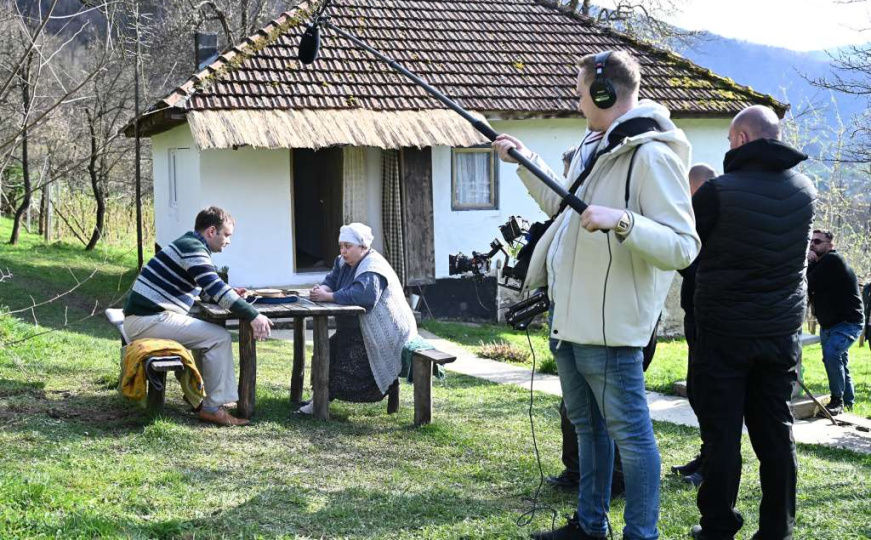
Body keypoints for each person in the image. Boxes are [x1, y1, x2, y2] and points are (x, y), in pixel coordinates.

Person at [494, 50, 700, 540]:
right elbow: (563, 206)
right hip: (569, 321)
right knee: (589, 431)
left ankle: (641, 534)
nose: (578, 100)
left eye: (582, 91)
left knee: (632, 438)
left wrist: (624, 221)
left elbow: (684, 246)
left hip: (612, 332)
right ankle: (591, 526)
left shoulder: (652, 155)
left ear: (605, 93)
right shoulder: (596, 148)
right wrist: (525, 161)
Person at [689, 106, 816, 540]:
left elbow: (689, 254)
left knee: (722, 435)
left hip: (723, 333)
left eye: (729, 139)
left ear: (742, 139)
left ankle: (719, 525)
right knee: (777, 432)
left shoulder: (716, 192)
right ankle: (778, 529)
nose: (728, 146)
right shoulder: (805, 189)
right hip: (780, 332)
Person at [123, 206, 274, 427]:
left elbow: (205, 288)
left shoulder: (190, 245)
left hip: (145, 318)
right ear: (212, 231)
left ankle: (203, 397)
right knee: (219, 338)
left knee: (208, 336)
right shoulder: (193, 249)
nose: (228, 241)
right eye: (227, 235)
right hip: (147, 320)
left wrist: (230, 293)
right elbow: (217, 289)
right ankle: (213, 408)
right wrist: (254, 315)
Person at [299, 223, 417, 414]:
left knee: (347, 367)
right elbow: (331, 280)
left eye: (348, 246)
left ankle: (323, 402)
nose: (343, 251)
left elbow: (364, 296)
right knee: (324, 352)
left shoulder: (372, 267)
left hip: (384, 334)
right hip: (357, 331)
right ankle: (319, 397)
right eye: (341, 246)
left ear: (363, 247)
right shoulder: (342, 262)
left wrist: (329, 297)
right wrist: (322, 290)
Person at [671, 163, 717, 488]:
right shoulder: (699, 217)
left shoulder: (711, 218)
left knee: (709, 394)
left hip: (710, 318)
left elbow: (696, 266)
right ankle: (705, 454)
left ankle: (712, 464)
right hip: (696, 314)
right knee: (698, 392)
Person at [807, 230, 864, 415]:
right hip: (829, 324)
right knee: (840, 362)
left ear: (830, 246)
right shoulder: (821, 264)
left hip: (848, 323)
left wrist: (809, 262)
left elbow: (808, 282)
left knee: (832, 355)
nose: (812, 244)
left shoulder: (832, 260)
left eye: (817, 241)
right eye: (811, 241)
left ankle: (837, 401)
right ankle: (848, 403)